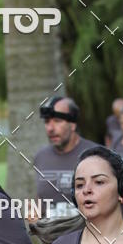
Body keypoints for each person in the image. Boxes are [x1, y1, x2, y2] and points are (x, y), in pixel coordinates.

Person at [32, 96, 96, 226]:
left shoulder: (97, 155)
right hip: (51, 237)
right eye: (47, 122)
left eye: (57, 121)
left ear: (73, 125)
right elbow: (41, 196)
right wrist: (35, 214)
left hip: (88, 236)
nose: (50, 128)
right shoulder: (41, 156)